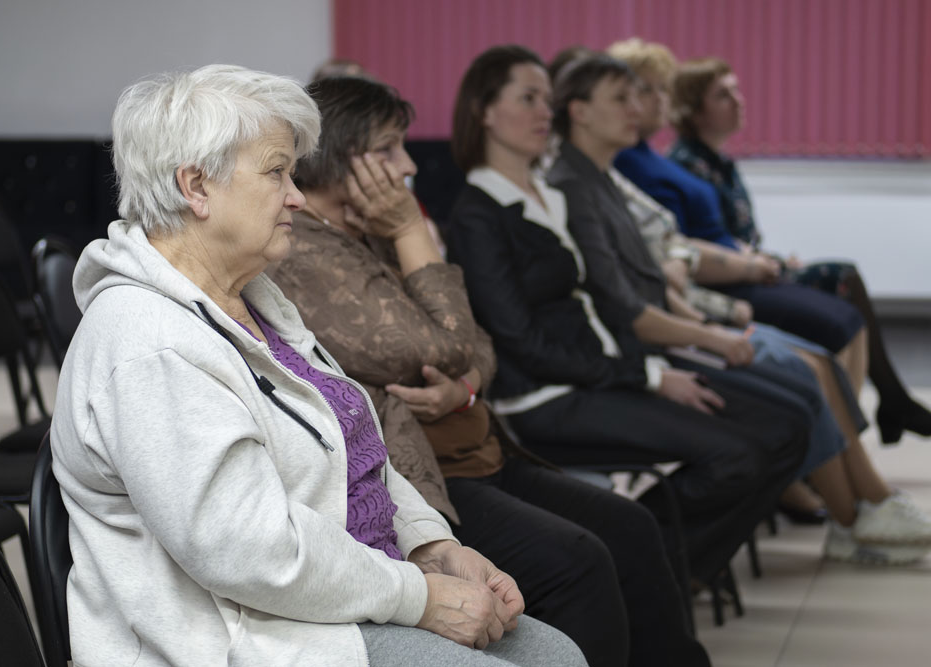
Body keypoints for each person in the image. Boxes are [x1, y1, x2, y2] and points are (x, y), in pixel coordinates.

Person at [49, 64, 587, 667]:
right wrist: (421, 596)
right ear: (196, 186)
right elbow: (249, 553)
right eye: (277, 172)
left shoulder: (253, 298)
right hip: (243, 639)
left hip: (333, 600)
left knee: (555, 653)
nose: (298, 196)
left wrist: (430, 544)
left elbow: (355, 450)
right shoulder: (150, 343)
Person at [267, 74, 710, 667]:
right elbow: (447, 347)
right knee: (578, 561)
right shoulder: (310, 252)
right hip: (429, 480)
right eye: (388, 149)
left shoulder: (360, 233)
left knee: (630, 526)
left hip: (476, 446)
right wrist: (410, 231)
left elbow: (479, 346)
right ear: (339, 156)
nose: (407, 167)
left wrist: (467, 387)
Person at [446, 45, 814, 589]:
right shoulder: (478, 214)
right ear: (484, 111)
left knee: (784, 430)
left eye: (547, 98)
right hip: (548, 398)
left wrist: (656, 363)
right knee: (737, 457)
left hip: (606, 371)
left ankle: (654, 570)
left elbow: (601, 303)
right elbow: (523, 343)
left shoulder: (550, 195)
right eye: (527, 99)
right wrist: (650, 376)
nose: (545, 112)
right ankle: (651, 573)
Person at [547, 52, 931, 564]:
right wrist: (711, 328)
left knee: (811, 367)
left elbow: (655, 273)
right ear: (578, 111)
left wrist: (703, 318)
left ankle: (866, 505)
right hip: (651, 348)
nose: (637, 107)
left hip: (681, 322)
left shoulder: (600, 177)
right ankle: (850, 518)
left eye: (642, 94)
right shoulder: (576, 184)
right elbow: (630, 305)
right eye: (623, 97)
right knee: (798, 388)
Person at [664, 53, 931, 445]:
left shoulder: (719, 162)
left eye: (737, 91)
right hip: (727, 282)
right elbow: (693, 244)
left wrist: (768, 258)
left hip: (750, 266)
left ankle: (878, 414)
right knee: (843, 281)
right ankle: (881, 412)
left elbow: (734, 235)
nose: (738, 101)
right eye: (723, 95)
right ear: (693, 109)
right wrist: (757, 263)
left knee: (845, 282)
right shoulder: (687, 165)